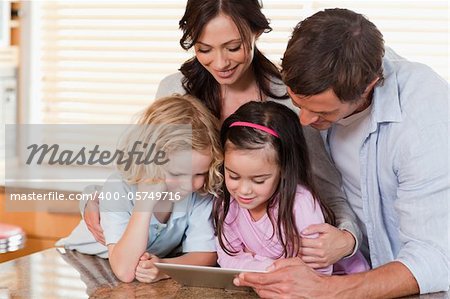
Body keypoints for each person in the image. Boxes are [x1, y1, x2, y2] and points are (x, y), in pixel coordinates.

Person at [83, 0, 362, 269]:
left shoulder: (287, 101)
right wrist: (92, 199)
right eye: (204, 49)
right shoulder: (176, 90)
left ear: (256, 31)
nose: (220, 63)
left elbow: (326, 187)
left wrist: (348, 238)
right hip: (168, 253)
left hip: (235, 257)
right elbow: (142, 170)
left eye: (233, 47)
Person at [234, 8, 450, 297]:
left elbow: (435, 260)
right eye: (298, 103)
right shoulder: (314, 80)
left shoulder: (424, 120)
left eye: (322, 112)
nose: (304, 121)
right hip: (353, 267)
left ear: (368, 87)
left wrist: (324, 289)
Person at [57, 94, 223, 283]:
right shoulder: (120, 188)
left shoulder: (200, 193)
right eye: (177, 174)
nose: (188, 185)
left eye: (199, 174)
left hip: (138, 262)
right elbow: (125, 271)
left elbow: (205, 255)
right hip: (84, 262)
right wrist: (145, 200)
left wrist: (165, 268)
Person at [214, 101, 369, 275]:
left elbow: (317, 272)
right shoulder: (228, 205)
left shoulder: (302, 205)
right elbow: (227, 257)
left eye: (258, 180)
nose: (243, 190)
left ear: (284, 170)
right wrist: (268, 267)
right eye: (233, 176)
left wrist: (253, 260)